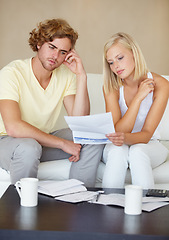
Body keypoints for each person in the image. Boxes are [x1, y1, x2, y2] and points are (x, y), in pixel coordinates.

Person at [0, 18, 104, 187]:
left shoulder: (66, 75)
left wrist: (81, 76)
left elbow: (81, 122)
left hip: (41, 141)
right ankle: (22, 207)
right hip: (7, 142)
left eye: (63, 52)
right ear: (39, 43)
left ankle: (77, 197)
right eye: (52, 47)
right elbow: (13, 127)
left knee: (91, 137)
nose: (55, 56)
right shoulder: (11, 73)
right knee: (29, 147)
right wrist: (63, 143)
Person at [102, 32, 169, 189]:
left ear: (134, 53)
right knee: (118, 152)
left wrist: (123, 138)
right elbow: (119, 131)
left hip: (150, 144)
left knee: (138, 152)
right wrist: (139, 98)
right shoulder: (111, 86)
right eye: (111, 62)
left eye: (120, 58)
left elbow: (146, 135)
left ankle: (146, 208)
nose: (116, 66)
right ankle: (108, 206)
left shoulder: (161, 84)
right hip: (118, 144)